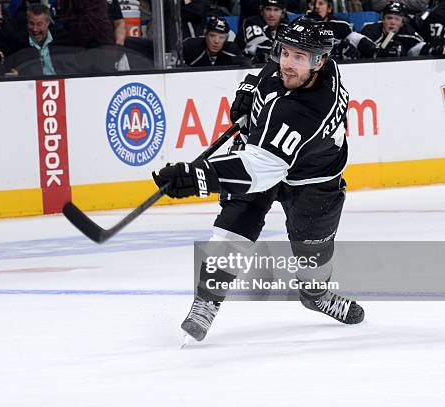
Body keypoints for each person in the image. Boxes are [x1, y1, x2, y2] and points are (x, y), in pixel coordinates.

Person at [153, 16, 364, 343]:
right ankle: (206, 301)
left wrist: (199, 177)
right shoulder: (310, 67)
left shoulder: (308, 111)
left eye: (298, 57)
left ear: (319, 62)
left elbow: (258, 170)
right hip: (269, 156)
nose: (287, 64)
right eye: (285, 53)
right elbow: (273, 68)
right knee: (234, 225)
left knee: (314, 261)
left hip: (313, 182)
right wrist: (251, 86)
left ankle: (316, 295)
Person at [361, 1, 430, 57]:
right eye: (389, 18)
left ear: (402, 23)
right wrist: (378, 52)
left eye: (397, 19)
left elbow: (420, 47)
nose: (393, 22)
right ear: (382, 20)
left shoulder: (408, 33)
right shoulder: (370, 31)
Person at [183, 17, 251, 67]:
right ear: (205, 34)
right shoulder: (191, 47)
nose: (216, 41)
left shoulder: (232, 51)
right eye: (212, 36)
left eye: (221, 37)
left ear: (226, 38)